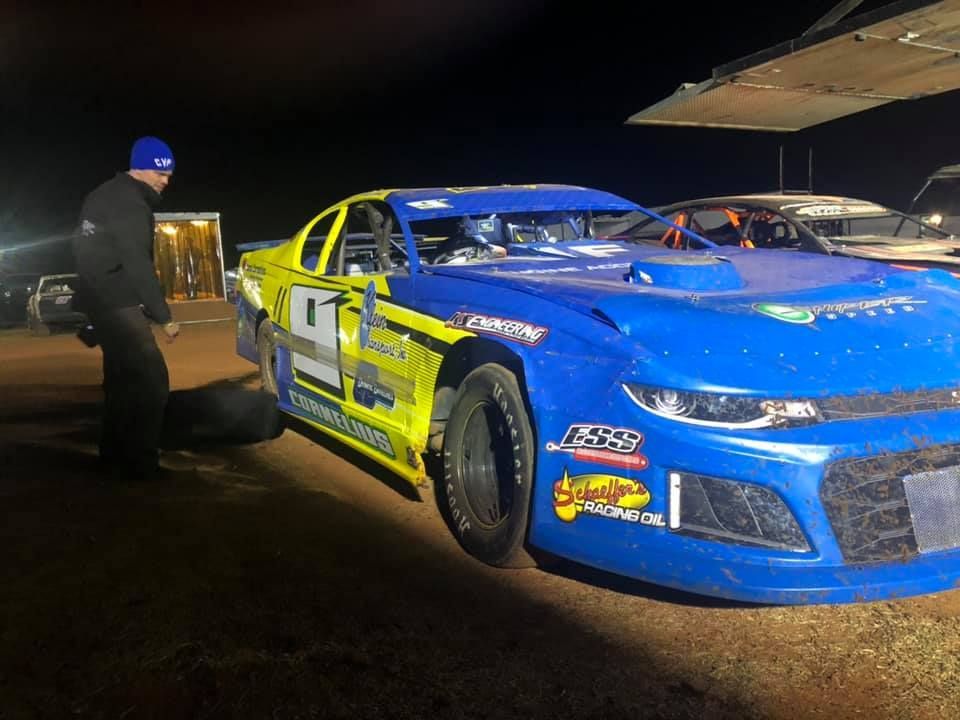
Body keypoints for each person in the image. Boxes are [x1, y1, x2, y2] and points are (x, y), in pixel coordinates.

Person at [71, 136, 181, 476]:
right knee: (151, 380)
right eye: (160, 173)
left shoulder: (100, 194)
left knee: (120, 380)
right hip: (117, 302)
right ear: (141, 169)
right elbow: (137, 263)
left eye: (169, 174)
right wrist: (163, 317)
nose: (165, 180)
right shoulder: (131, 204)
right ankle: (140, 462)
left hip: (99, 299)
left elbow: (80, 247)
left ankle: (114, 454)